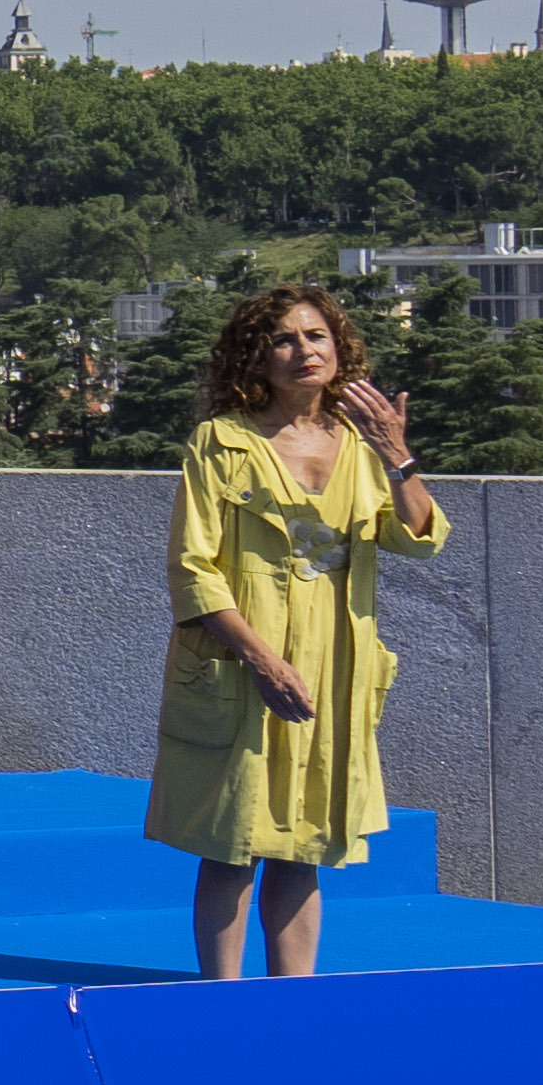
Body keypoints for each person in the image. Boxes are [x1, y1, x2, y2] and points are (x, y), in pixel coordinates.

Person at [151, 282, 444, 981]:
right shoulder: (222, 442)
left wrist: (399, 454)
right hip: (242, 660)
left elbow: (421, 539)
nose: (303, 349)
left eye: (316, 335)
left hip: (332, 668)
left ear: (339, 347)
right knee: (232, 842)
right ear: (256, 357)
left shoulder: (366, 445)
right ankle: (221, 998)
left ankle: (294, 1001)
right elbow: (193, 567)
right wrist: (259, 658)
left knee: (304, 843)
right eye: (284, 338)